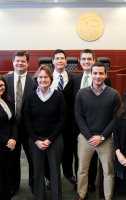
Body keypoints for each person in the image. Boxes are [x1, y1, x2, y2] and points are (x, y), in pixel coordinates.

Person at [75, 62, 121, 200]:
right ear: (90, 74)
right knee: (82, 170)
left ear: (106, 75)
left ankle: (108, 196)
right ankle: (82, 194)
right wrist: (90, 136)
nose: (98, 76)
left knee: (108, 171)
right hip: (85, 137)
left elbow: (115, 118)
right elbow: (78, 116)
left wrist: (101, 137)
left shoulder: (114, 94)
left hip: (106, 138)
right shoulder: (82, 93)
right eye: (95, 73)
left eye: (101, 73)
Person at [25, 65, 66, 200]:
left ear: (50, 79)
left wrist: (50, 140)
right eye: (40, 77)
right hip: (35, 140)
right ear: (36, 79)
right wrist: (36, 140)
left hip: (54, 139)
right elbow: (28, 120)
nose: (43, 79)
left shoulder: (58, 96)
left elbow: (62, 120)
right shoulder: (30, 96)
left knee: (55, 171)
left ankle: (56, 197)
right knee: (38, 170)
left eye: (46, 77)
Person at [73, 49, 111, 193]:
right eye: (83, 58)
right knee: (81, 162)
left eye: (89, 58)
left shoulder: (108, 86)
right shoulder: (75, 79)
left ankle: (91, 183)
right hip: (81, 128)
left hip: (101, 130)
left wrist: (101, 135)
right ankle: (81, 188)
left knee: (97, 161)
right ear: (80, 60)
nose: (86, 61)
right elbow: (75, 108)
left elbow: (108, 106)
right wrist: (87, 134)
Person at [3, 50, 36, 196]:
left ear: (28, 63)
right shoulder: (4, 80)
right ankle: (13, 185)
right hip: (11, 129)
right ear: (13, 62)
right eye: (17, 61)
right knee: (12, 159)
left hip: (30, 128)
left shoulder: (35, 80)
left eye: (23, 61)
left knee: (33, 158)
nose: (20, 63)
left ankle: (34, 184)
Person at [44, 49, 76, 189]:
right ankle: (50, 177)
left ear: (66, 61)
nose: (60, 60)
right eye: (57, 58)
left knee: (68, 148)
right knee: (51, 149)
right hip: (51, 121)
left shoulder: (74, 78)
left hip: (69, 120)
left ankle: (68, 173)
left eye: (62, 58)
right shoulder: (46, 77)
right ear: (53, 61)